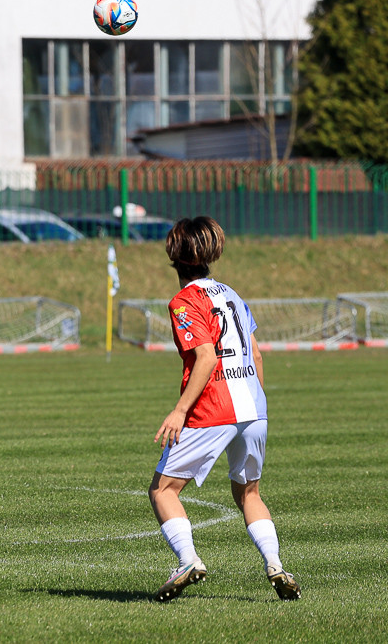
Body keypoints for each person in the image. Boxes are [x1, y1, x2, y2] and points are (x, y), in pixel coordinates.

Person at [149, 216, 300, 602]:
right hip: (253, 407)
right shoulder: (233, 294)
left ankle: (187, 560)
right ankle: (276, 565)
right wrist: (256, 408)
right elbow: (258, 353)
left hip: (213, 406)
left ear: (175, 260)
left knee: (164, 490)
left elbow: (205, 356)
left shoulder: (184, 301)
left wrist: (181, 410)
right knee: (249, 493)